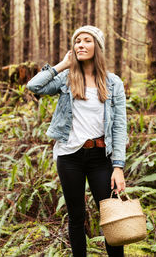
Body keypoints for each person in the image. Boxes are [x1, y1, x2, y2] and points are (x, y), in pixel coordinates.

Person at [27, 25, 127, 257]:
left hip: (101, 157)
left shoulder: (113, 83)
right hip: (69, 156)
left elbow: (120, 126)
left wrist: (118, 166)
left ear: (98, 47)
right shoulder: (66, 78)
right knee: (76, 216)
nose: (81, 44)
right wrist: (62, 65)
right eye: (77, 41)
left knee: (111, 216)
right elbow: (34, 86)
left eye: (87, 41)